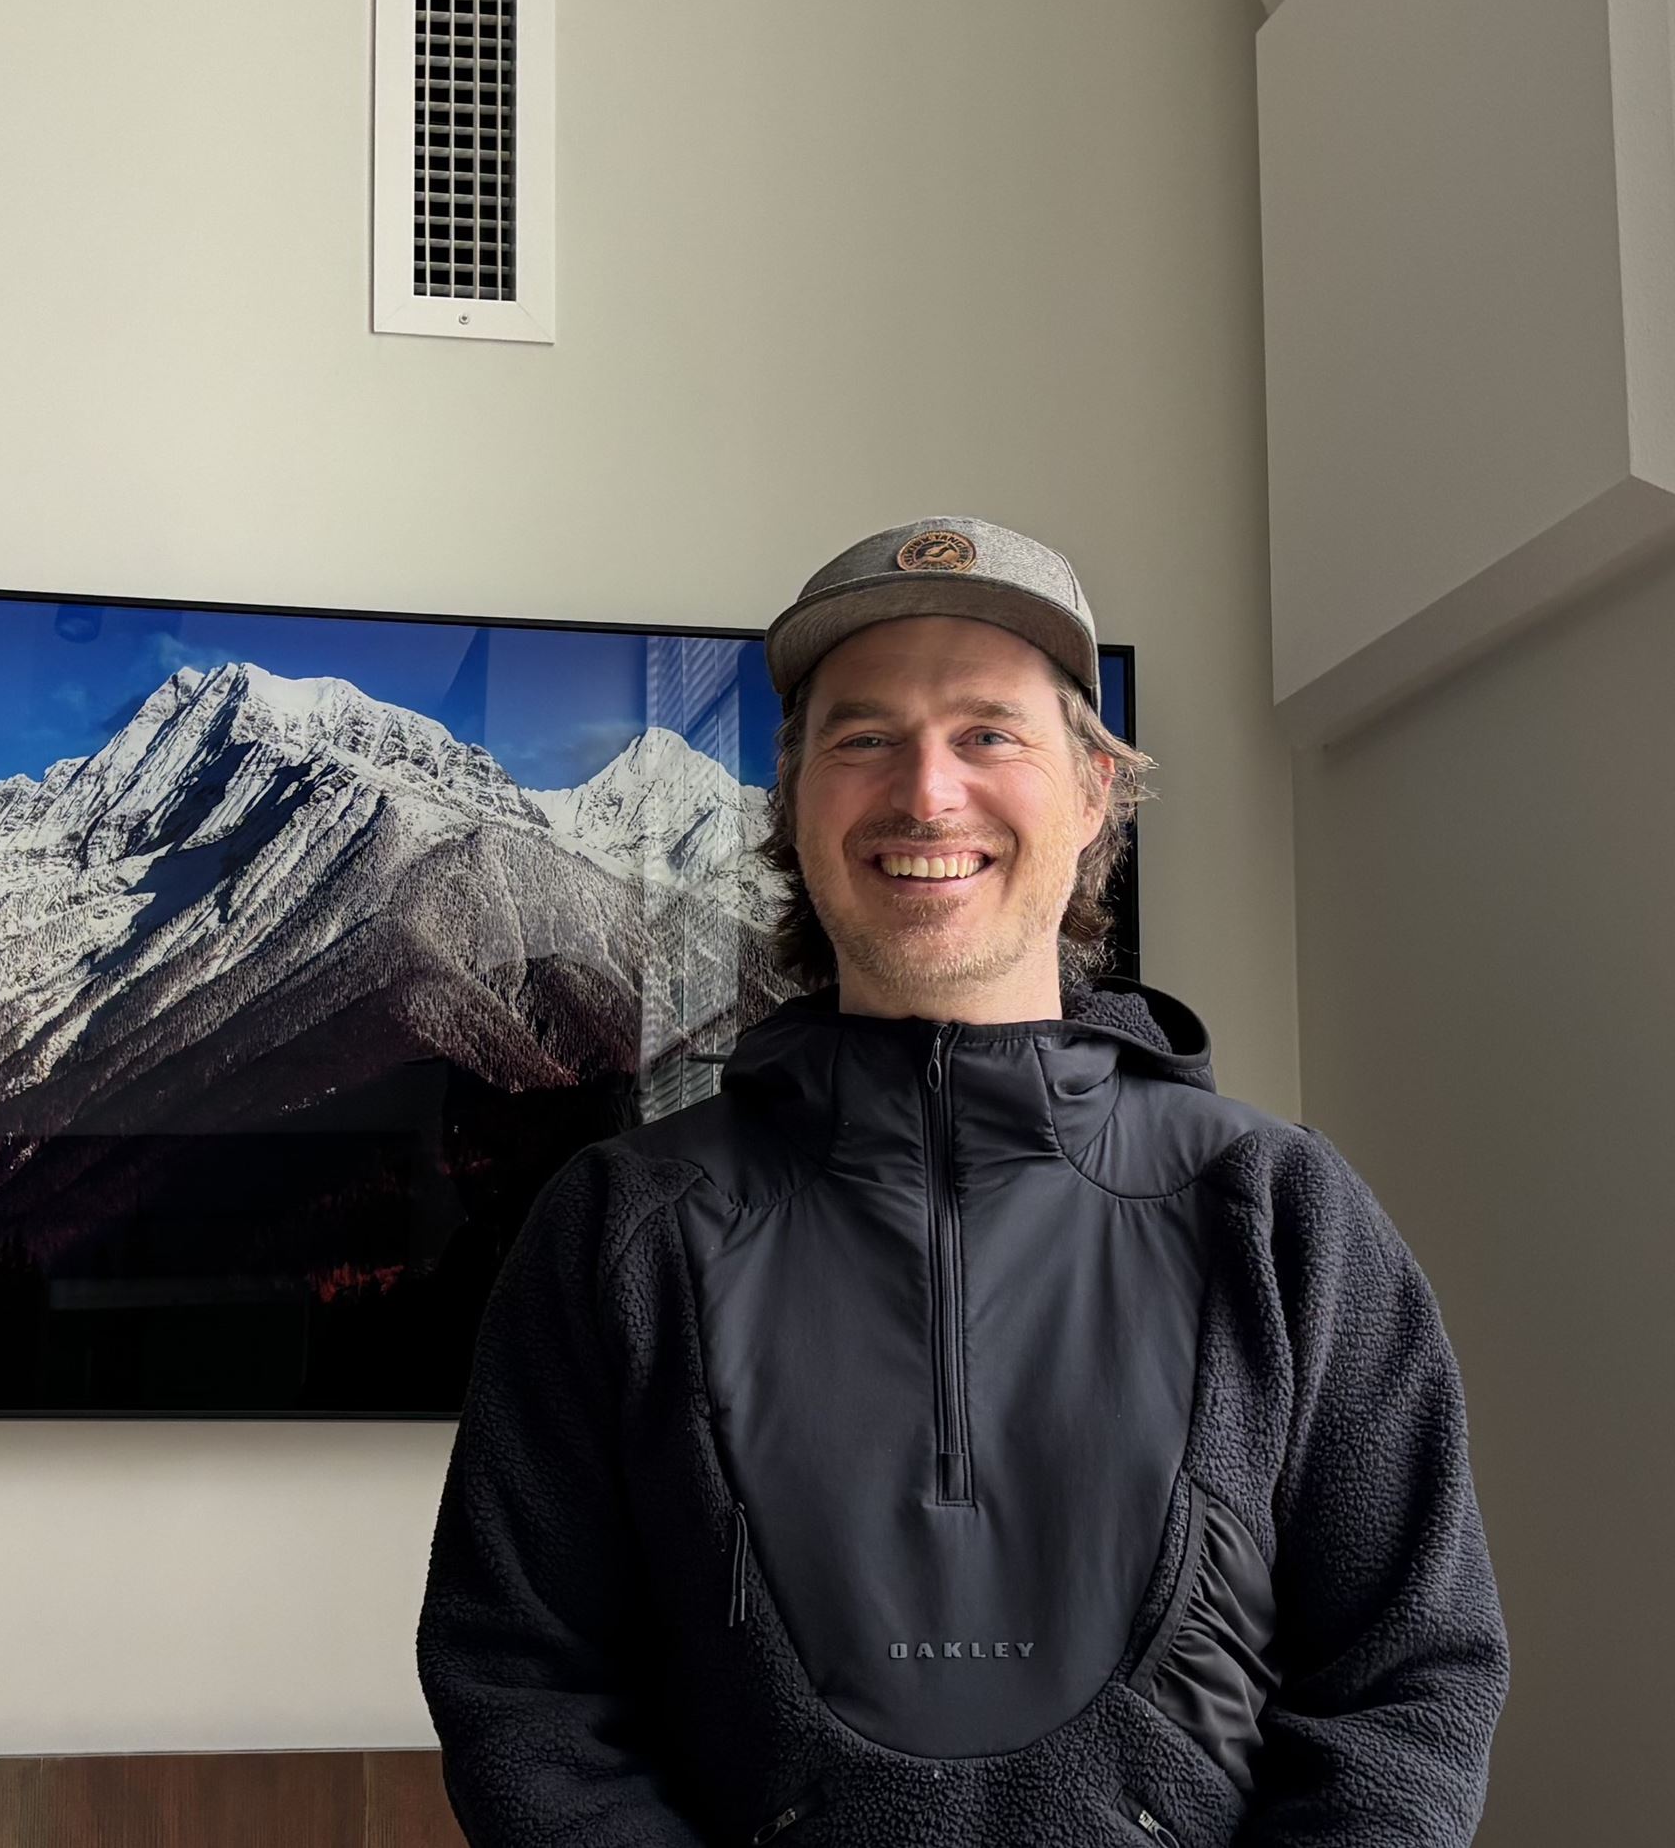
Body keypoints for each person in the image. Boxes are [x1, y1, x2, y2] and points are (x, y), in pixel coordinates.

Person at [415, 517, 1508, 1846]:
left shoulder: (1283, 1216)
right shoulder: (620, 1228)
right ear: (793, 797)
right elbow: (526, 1690)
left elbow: (1406, 1685)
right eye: (864, 736)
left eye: (990, 731)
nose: (926, 791)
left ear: (1097, 788)